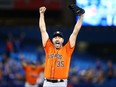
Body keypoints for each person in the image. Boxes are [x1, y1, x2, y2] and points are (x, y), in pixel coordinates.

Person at [39, 4, 85, 87]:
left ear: (63, 40)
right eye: (55, 37)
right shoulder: (48, 47)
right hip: (47, 83)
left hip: (61, 83)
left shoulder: (67, 49)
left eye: (59, 38)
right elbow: (43, 30)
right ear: (52, 40)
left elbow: (75, 32)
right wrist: (41, 14)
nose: (57, 39)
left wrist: (81, 17)